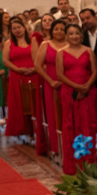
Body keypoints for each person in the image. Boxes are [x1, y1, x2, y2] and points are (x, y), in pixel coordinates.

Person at [55, 24, 97, 174]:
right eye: (71, 33)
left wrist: (86, 86)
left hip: (88, 92)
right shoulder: (61, 53)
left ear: (81, 35)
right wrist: (77, 87)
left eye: (77, 33)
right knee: (71, 124)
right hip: (69, 92)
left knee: (89, 123)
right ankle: (74, 164)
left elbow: (95, 72)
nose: (74, 36)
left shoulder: (88, 51)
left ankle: (91, 161)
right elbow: (60, 75)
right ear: (67, 36)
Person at [33, 17, 69, 156]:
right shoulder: (45, 45)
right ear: (51, 31)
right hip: (51, 84)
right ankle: (56, 147)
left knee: (67, 113)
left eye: (62, 29)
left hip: (68, 83)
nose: (59, 32)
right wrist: (50, 81)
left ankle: (69, 144)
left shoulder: (71, 43)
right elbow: (38, 66)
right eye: (56, 29)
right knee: (53, 114)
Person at [2, 17, 39, 140]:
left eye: (19, 27)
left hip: (33, 73)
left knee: (34, 102)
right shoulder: (8, 43)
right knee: (20, 103)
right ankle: (23, 129)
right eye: (14, 28)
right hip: (17, 75)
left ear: (24, 28)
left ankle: (36, 129)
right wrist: (17, 69)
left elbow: (37, 57)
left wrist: (34, 69)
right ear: (11, 31)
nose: (17, 30)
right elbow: (6, 60)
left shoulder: (33, 41)